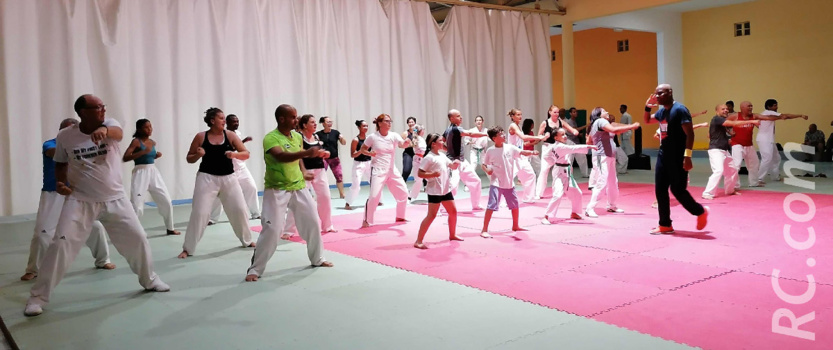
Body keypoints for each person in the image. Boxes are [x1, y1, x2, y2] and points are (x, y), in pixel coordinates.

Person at [24, 95, 169, 317]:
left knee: (138, 239)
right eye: (96, 107)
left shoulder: (110, 124)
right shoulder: (65, 136)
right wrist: (62, 182)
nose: (102, 110)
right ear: (82, 111)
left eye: (103, 106)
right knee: (60, 245)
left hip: (116, 199)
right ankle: (37, 297)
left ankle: (150, 279)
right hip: (80, 200)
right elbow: (61, 162)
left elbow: (118, 134)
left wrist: (105, 132)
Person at [245, 105, 334, 282]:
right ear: (281, 119)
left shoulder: (296, 136)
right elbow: (282, 156)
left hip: (299, 187)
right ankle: (255, 269)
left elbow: (298, 158)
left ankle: (317, 258)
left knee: (313, 222)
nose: (296, 120)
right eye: (293, 117)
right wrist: (307, 152)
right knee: (272, 229)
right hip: (277, 188)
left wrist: (302, 171)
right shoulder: (271, 138)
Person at [21, 118, 114, 282]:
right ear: (61, 132)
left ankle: (103, 260)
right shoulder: (50, 144)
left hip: (76, 194)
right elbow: (52, 153)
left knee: (96, 227)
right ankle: (33, 269)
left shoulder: (82, 146)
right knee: (43, 233)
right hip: (52, 194)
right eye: (69, 130)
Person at [179, 108, 254, 259]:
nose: (224, 121)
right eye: (221, 118)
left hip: (229, 178)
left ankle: (247, 240)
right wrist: (198, 155)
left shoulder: (230, 135)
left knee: (239, 209)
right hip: (206, 178)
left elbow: (246, 154)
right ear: (212, 121)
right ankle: (188, 248)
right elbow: (189, 158)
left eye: (224, 118)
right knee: (200, 212)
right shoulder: (201, 136)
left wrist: (234, 154)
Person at [643, 85, 708, 235]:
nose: (657, 96)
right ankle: (665, 225)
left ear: (669, 93)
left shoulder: (680, 109)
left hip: (678, 156)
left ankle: (700, 211)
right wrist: (647, 106)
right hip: (663, 155)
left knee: (677, 190)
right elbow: (647, 121)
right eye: (656, 94)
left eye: (661, 93)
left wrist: (687, 156)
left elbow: (690, 134)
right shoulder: (662, 111)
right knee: (660, 190)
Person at [122, 119, 180, 235]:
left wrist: (155, 156)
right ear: (139, 129)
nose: (150, 129)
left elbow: (149, 157)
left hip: (153, 172)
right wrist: (142, 153)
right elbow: (126, 157)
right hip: (140, 173)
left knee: (166, 200)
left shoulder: (152, 142)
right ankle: (133, 232)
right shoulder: (136, 142)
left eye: (150, 127)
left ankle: (170, 228)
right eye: (146, 127)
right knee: (137, 203)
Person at [283, 115, 337, 237]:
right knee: (298, 201)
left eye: (314, 122)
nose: (315, 124)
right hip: (304, 171)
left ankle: (327, 225)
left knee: (325, 197)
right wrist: (312, 155)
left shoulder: (317, 136)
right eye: (312, 122)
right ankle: (288, 230)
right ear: (304, 125)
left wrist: (325, 153)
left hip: (319, 170)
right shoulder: (298, 137)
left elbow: (322, 151)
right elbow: (297, 154)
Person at [480, 126, 539, 238]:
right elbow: (483, 164)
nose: (504, 135)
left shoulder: (510, 148)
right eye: (501, 134)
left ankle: (515, 225)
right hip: (496, 183)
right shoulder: (490, 151)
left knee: (515, 205)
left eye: (503, 132)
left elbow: (522, 152)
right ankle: (484, 229)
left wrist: (531, 153)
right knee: (491, 206)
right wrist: (487, 169)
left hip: (509, 183)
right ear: (494, 138)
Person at [584, 108, 640, 218]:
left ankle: (612, 205)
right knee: (601, 182)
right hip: (602, 157)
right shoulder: (600, 121)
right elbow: (615, 130)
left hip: (609, 156)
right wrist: (632, 126)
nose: (607, 112)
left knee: (613, 182)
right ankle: (589, 208)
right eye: (605, 111)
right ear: (599, 114)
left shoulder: (600, 124)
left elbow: (590, 140)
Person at [413, 133, 463, 249]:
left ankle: (452, 234)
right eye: (441, 140)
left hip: (445, 189)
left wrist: (455, 164)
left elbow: (451, 166)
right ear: (434, 144)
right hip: (435, 190)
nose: (443, 142)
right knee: (431, 215)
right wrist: (433, 174)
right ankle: (418, 241)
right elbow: (420, 173)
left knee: (453, 212)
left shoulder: (441, 155)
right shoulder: (429, 157)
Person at [208, 114, 261, 223]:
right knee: (220, 194)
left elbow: (239, 147)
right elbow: (230, 147)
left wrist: (244, 141)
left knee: (251, 187)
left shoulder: (238, 134)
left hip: (241, 168)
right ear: (227, 123)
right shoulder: (222, 135)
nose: (236, 123)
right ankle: (213, 218)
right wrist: (243, 141)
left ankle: (255, 213)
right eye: (233, 122)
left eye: (237, 121)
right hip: (227, 170)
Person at [361, 114, 411, 227]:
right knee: (374, 196)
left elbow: (402, 145)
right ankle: (367, 220)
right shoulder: (372, 137)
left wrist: (406, 142)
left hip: (392, 169)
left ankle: (400, 216)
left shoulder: (394, 135)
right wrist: (369, 153)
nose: (389, 123)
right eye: (387, 121)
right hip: (378, 169)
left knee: (404, 193)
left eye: (390, 121)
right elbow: (363, 149)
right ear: (379, 123)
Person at [541, 128, 597, 224]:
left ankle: (574, 212)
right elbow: (574, 148)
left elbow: (546, 155)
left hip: (566, 172)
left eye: (565, 134)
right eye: (562, 135)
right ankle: (546, 216)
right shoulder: (560, 147)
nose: (565, 136)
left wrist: (553, 160)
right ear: (556, 137)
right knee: (558, 194)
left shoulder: (555, 146)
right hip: (559, 172)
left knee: (577, 192)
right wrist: (589, 146)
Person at [702, 104, 759, 200]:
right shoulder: (717, 119)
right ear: (717, 111)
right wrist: (752, 121)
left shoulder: (720, 122)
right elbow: (734, 124)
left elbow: (709, 135)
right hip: (716, 150)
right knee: (718, 171)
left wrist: (728, 136)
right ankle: (707, 193)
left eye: (726, 109)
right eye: (723, 109)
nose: (725, 110)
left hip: (724, 150)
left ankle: (729, 190)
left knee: (732, 170)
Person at [445, 109, 489, 210]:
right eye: (458, 116)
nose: (461, 118)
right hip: (453, 162)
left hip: (461, 161)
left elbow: (444, 143)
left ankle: (476, 204)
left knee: (476, 181)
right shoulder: (454, 129)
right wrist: (486, 134)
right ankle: (444, 207)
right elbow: (470, 134)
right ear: (451, 118)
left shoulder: (449, 130)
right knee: (453, 186)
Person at [756, 99, 808, 183]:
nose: (777, 107)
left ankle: (775, 177)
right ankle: (759, 179)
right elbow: (786, 116)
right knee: (767, 159)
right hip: (764, 140)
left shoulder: (766, 114)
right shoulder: (768, 113)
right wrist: (800, 115)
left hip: (769, 140)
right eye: (775, 105)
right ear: (769, 107)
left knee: (776, 158)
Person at [536, 106, 579, 199]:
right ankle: (539, 193)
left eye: (558, 112)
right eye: (555, 112)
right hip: (548, 148)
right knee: (544, 170)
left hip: (559, 148)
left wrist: (574, 131)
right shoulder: (545, 123)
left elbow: (570, 128)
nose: (557, 114)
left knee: (567, 168)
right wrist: (544, 137)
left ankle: (568, 189)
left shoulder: (560, 121)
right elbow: (538, 137)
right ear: (550, 112)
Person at [507, 109, 547, 202]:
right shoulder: (513, 126)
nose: (520, 116)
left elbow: (521, 143)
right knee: (508, 179)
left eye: (521, 114)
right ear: (512, 116)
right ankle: (504, 201)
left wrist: (531, 151)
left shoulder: (519, 126)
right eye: (517, 115)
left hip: (520, 156)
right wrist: (538, 137)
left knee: (530, 175)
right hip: (512, 157)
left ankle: (528, 198)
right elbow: (523, 137)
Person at [728, 101, 767, 188]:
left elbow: (768, 118)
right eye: (749, 106)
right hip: (737, 144)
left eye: (751, 106)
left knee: (754, 163)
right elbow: (722, 124)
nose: (751, 108)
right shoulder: (735, 116)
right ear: (742, 108)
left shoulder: (753, 116)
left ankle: (754, 183)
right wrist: (728, 134)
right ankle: (734, 185)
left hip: (749, 144)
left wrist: (782, 117)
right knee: (736, 164)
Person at [317, 116, 347, 198]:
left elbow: (344, 143)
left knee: (339, 175)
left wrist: (342, 138)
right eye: (328, 122)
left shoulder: (336, 132)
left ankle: (342, 193)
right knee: (321, 176)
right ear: (323, 123)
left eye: (331, 122)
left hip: (334, 158)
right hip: (323, 158)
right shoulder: (318, 134)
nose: (330, 123)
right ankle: (320, 195)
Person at [344, 120, 372, 210]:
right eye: (364, 126)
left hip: (369, 163)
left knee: (375, 182)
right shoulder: (355, 140)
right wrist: (361, 150)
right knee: (356, 185)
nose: (366, 128)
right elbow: (352, 155)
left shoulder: (369, 138)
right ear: (359, 127)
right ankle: (348, 203)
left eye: (367, 126)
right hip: (358, 164)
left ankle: (377, 200)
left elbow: (370, 152)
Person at [566, 107, 589, 177]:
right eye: (574, 112)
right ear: (570, 113)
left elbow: (575, 132)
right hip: (570, 142)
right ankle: (567, 174)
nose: (576, 113)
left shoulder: (574, 121)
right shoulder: (569, 122)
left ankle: (585, 173)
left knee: (582, 157)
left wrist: (579, 135)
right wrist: (587, 125)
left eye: (576, 112)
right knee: (569, 159)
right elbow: (575, 130)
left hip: (576, 142)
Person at [408, 125, 427, 201]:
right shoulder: (416, 139)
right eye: (423, 130)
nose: (424, 131)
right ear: (420, 131)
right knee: (418, 180)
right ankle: (409, 196)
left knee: (428, 178)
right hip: (417, 159)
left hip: (422, 159)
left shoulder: (421, 139)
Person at [401, 117, 418, 182]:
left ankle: (425, 185)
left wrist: (412, 144)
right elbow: (402, 145)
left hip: (417, 153)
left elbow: (417, 143)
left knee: (422, 169)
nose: (411, 123)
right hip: (408, 153)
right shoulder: (405, 133)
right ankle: (402, 184)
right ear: (407, 124)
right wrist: (411, 144)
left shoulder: (416, 131)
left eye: (412, 122)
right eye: (409, 122)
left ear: (415, 123)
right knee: (406, 170)